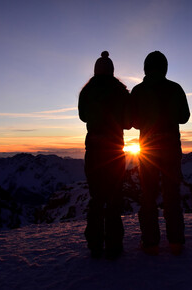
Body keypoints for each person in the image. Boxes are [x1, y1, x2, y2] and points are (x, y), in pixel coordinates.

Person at [130, 51, 190, 255]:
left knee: (148, 195)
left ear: (146, 68)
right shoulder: (175, 88)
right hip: (171, 149)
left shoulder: (138, 91)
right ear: (165, 68)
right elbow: (184, 117)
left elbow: (133, 122)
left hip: (148, 151)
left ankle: (151, 243)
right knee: (171, 194)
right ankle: (176, 242)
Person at [78, 51, 130, 259]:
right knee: (115, 198)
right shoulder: (120, 91)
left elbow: (83, 117)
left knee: (97, 198)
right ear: (111, 70)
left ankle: (95, 245)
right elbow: (128, 123)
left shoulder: (88, 90)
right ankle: (114, 245)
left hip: (94, 149)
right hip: (115, 150)